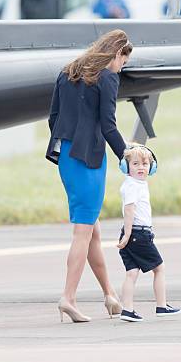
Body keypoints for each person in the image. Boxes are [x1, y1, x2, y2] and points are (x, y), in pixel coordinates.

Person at [46, 29, 131, 323]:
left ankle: (110, 294)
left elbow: (53, 118)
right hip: (90, 158)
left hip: (67, 157)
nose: (122, 67)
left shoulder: (67, 72)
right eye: (123, 61)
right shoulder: (107, 78)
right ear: (116, 53)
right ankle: (67, 298)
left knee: (91, 227)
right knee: (83, 232)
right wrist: (127, 155)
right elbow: (108, 125)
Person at [116, 145, 181, 322]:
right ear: (126, 167)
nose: (141, 167)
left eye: (145, 164)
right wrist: (128, 234)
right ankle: (161, 305)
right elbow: (129, 210)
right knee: (159, 268)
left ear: (151, 168)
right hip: (137, 234)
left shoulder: (134, 184)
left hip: (134, 234)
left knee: (132, 272)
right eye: (135, 164)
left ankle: (127, 310)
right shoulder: (133, 186)